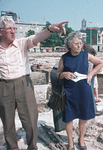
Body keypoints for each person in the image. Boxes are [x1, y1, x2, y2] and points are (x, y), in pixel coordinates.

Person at [0, 16, 68, 150]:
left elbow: (36, 38)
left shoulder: (20, 43)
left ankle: (32, 147)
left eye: (14, 28)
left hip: (24, 83)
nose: (13, 31)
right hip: (4, 86)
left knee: (30, 119)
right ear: (1, 32)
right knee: (7, 122)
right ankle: (12, 147)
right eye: (9, 29)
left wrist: (50, 29)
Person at [56, 31, 103, 150]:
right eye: (76, 43)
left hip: (84, 90)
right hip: (69, 91)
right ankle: (70, 142)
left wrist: (91, 73)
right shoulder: (64, 58)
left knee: (83, 115)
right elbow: (57, 74)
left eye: (80, 43)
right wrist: (64, 74)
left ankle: (81, 139)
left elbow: (100, 63)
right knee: (69, 117)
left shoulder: (86, 55)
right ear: (70, 45)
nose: (79, 45)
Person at [83, 43, 103, 116]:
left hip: (85, 77)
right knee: (90, 94)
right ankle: (93, 110)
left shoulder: (84, 55)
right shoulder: (89, 58)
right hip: (88, 77)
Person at [50, 61, 65, 132]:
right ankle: (60, 126)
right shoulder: (84, 56)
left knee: (57, 97)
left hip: (55, 71)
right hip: (60, 73)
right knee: (59, 98)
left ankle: (59, 126)